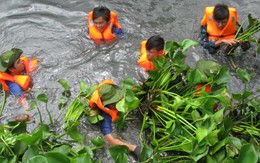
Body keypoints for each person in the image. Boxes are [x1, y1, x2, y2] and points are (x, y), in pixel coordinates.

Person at [89, 80, 141, 159]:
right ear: (107, 105)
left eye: (118, 98)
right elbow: (110, 140)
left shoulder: (121, 94)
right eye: (115, 102)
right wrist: (134, 148)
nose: (119, 101)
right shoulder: (105, 116)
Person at [0, 48, 38, 120]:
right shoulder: (14, 86)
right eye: (18, 62)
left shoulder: (21, 66)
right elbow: (23, 101)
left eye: (20, 59)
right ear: (11, 69)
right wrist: (30, 115)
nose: (22, 62)